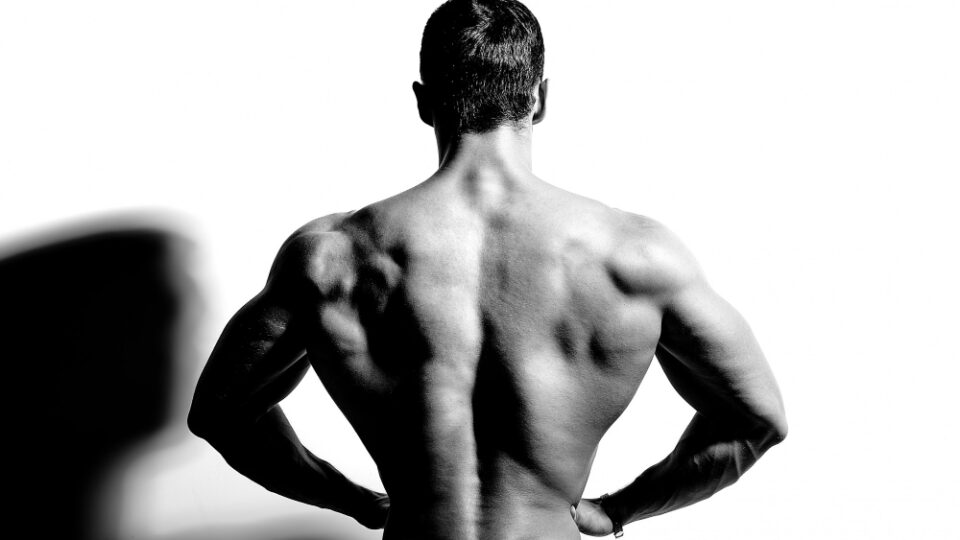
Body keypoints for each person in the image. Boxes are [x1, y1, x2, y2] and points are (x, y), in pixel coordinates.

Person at [187, 1, 788, 538]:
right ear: (540, 98)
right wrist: (619, 509)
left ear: (423, 103)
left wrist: (352, 500)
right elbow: (757, 418)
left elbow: (221, 412)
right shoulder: (634, 257)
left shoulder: (332, 258)